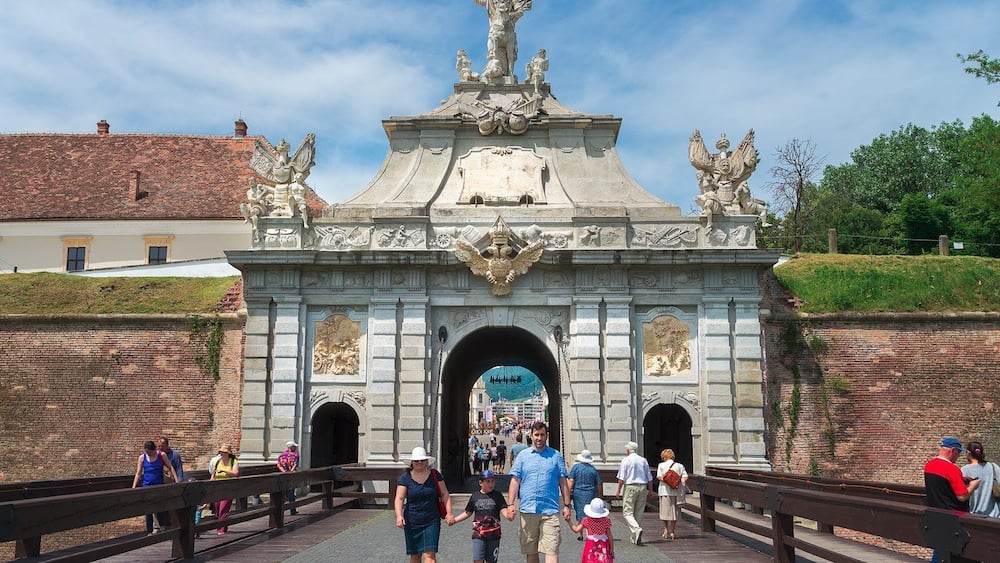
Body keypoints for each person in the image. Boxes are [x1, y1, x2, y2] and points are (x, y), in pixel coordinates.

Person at [504, 421, 572, 563]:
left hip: (550, 510)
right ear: (531, 436)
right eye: (536, 435)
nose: (539, 438)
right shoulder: (523, 456)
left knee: (551, 549)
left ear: (546, 436)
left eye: (542, 435)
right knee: (531, 551)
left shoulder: (556, 456)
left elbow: (563, 482)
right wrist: (510, 504)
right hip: (528, 509)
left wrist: (567, 505)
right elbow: (515, 481)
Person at [925, 437, 980, 563]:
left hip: (934, 515)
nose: (958, 456)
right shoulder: (952, 469)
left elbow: (942, 486)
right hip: (952, 519)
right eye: (958, 453)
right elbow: (962, 496)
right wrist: (973, 486)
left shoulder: (929, 465)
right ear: (952, 450)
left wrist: (962, 479)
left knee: (939, 550)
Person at [395, 446, 454, 563]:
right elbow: (399, 498)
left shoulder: (435, 475)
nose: (419, 462)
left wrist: (450, 513)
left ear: (427, 461)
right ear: (412, 462)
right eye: (416, 460)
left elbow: (445, 493)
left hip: (431, 520)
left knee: (429, 556)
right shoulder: (405, 478)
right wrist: (399, 515)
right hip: (412, 521)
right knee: (415, 555)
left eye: (422, 460)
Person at [451, 470, 508, 563]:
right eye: (488, 481)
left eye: (493, 481)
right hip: (478, 534)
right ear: (480, 483)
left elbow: (503, 509)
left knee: (491, 561)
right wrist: (455, 520)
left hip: (494, 534)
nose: (491, 484)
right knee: (477, 560)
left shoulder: (498, 495)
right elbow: (468, 512)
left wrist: (508, 515)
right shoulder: (475, 496)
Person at [131, 440, 180, 534]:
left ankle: (161, 526)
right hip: (146, 486)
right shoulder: (142, 458)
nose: (147, 454)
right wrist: (134, 487)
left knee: (160, 506)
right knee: (148, 509)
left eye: (149, 452)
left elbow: (170, 467)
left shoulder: (161, 455)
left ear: (154, 450)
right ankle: (149, 531)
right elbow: (138, 473)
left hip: (158, 486)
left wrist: (176, 480)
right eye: (146, 452)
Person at [614, 441, 654, 546]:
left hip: (631, 486)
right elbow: (649, 477)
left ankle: (636, 529)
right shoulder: (643, 460)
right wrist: (650, 490)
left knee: (627, 512)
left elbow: (622, 478)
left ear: (628, 450)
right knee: (638, 512)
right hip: (643, 487)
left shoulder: (626, 460)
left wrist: (618, 490)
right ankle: (634, 537)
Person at [565, 497, 615, 563]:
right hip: (603, 544)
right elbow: (610, 536)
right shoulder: (606, 521)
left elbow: (576, 530)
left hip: (591, 544)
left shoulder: (586, 520)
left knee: (590, 559)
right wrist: (611, 548)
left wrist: (569, 521)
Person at [567, 449, 601, 541]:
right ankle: (589, 532)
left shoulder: (576, 468)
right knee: (590, 513)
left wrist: (567, 493)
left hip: (578, 493)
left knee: (580, 512)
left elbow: (571, 481)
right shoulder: (593, 469)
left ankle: (580, 534)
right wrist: (599, 495)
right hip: (590, 493)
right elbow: (598, 484)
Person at [960, 441, 999, 518]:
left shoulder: (964, 470)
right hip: (995, 516)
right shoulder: (994, 467)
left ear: (968, 452)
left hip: (975, 515)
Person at [656, 448, 688, 540]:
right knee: (674, 512)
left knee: (664, 511)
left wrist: (668, 481)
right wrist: (676, 482)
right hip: (676, 492)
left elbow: (659, 477)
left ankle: (665, 530)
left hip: (664, 491)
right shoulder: (679, 466)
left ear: (664, 457)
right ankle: (673, 532)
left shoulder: (661, 465)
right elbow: (685, 477)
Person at [211, 444, 240, 535]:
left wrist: (225, 471)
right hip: (217, 489)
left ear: (228, 453)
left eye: (224, 452)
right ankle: (224, 525)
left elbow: (236, 473)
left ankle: (220, 530)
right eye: (221, 452)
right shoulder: (217, 462)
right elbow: (213, 475)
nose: (222, 454)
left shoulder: (233, 461)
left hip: (228, 488)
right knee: (217, 508)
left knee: (223, 508)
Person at [277, 440, 300, 515]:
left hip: (283, 475)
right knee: (291, 492)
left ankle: (280, 510)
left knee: (283, 492)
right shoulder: (295, 455)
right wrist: (291, 472)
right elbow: (295, 465)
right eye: (294, 447)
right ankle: (292, 510)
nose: (296, 448)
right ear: (291, 447)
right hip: (291, 475)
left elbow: (279, 465)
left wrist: (284, 472)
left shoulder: (282, 455)